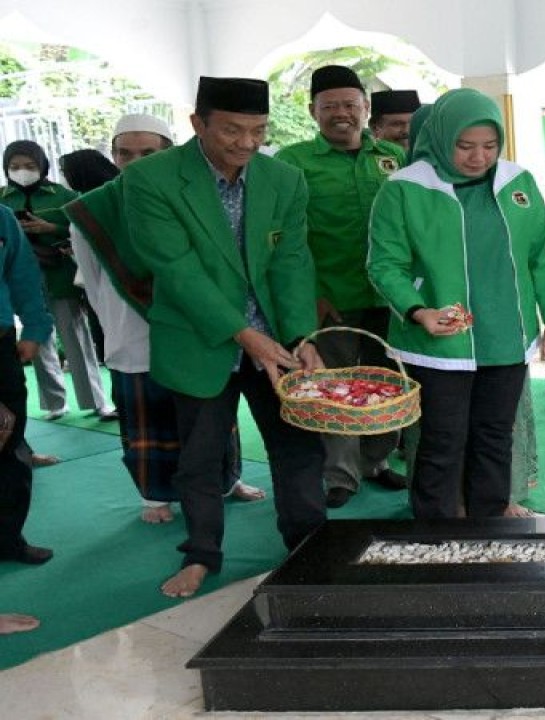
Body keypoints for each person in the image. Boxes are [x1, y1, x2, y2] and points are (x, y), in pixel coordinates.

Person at [123, 76, 327, 598]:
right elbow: (175, 268)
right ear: (198, 124)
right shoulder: (151, 179)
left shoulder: (284, 180)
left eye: (258, 131)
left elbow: (292, 261)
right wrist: (241, 333)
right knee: (200, 455)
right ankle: (201, 555)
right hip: (201, 339)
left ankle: (309, 547)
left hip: (276, 342)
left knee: (299, 447)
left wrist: (301, 335)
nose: (246, 143)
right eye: (232, 130)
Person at [367, 87, 545, 520]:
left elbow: (541, 257)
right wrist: (418, 310)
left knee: (495, 435)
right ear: (441, 138)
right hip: (439, 342)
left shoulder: (517, 182)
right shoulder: (404, 188)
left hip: (505, 335)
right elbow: (385, 264)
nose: (479, 157)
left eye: (489, 145)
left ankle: (489, 527)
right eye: (465, 146)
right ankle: (437, 533)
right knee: (442, 438)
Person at [64, 116, 260, 525]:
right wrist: (119, 326)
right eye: (124, 153)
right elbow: (94, 283)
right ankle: (155, 496)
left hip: (199, 327)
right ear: (112, 156)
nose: (134, 162)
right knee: (148, 420)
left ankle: (228, 481)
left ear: (169, 152)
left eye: (148, 153)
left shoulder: (198, 195)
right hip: (132, 334)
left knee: (213, 416)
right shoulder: (94, 209)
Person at [276, 65, 409, 509]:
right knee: (332, 389)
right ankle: (340, 475)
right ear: (313, 111)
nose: (341, 114)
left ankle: (376, 461)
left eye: (350, 105)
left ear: (365, 108)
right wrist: (308, 294)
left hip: (388, 298)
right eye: (329, 105)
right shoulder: (292, 162)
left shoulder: (392, 156)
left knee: (387, 384)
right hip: (328, 299)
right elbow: (285, 238)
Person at [2, 140, 114, 422]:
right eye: (14, 167)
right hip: (21, 281)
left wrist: (50, 227)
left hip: (59, 275)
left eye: (29, 166)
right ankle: (54, 402)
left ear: (42, 165)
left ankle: (95, 401)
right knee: (37, 340)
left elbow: (82, 229)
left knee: (75, 337)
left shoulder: (62, 195)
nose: (22, 172)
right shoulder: (3, 200)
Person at [0, 205, 55, 567]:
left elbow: (23, 275)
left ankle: (8, 540)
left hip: (1, 345)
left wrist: (35, 328)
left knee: (8, 441)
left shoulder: (3, 217)